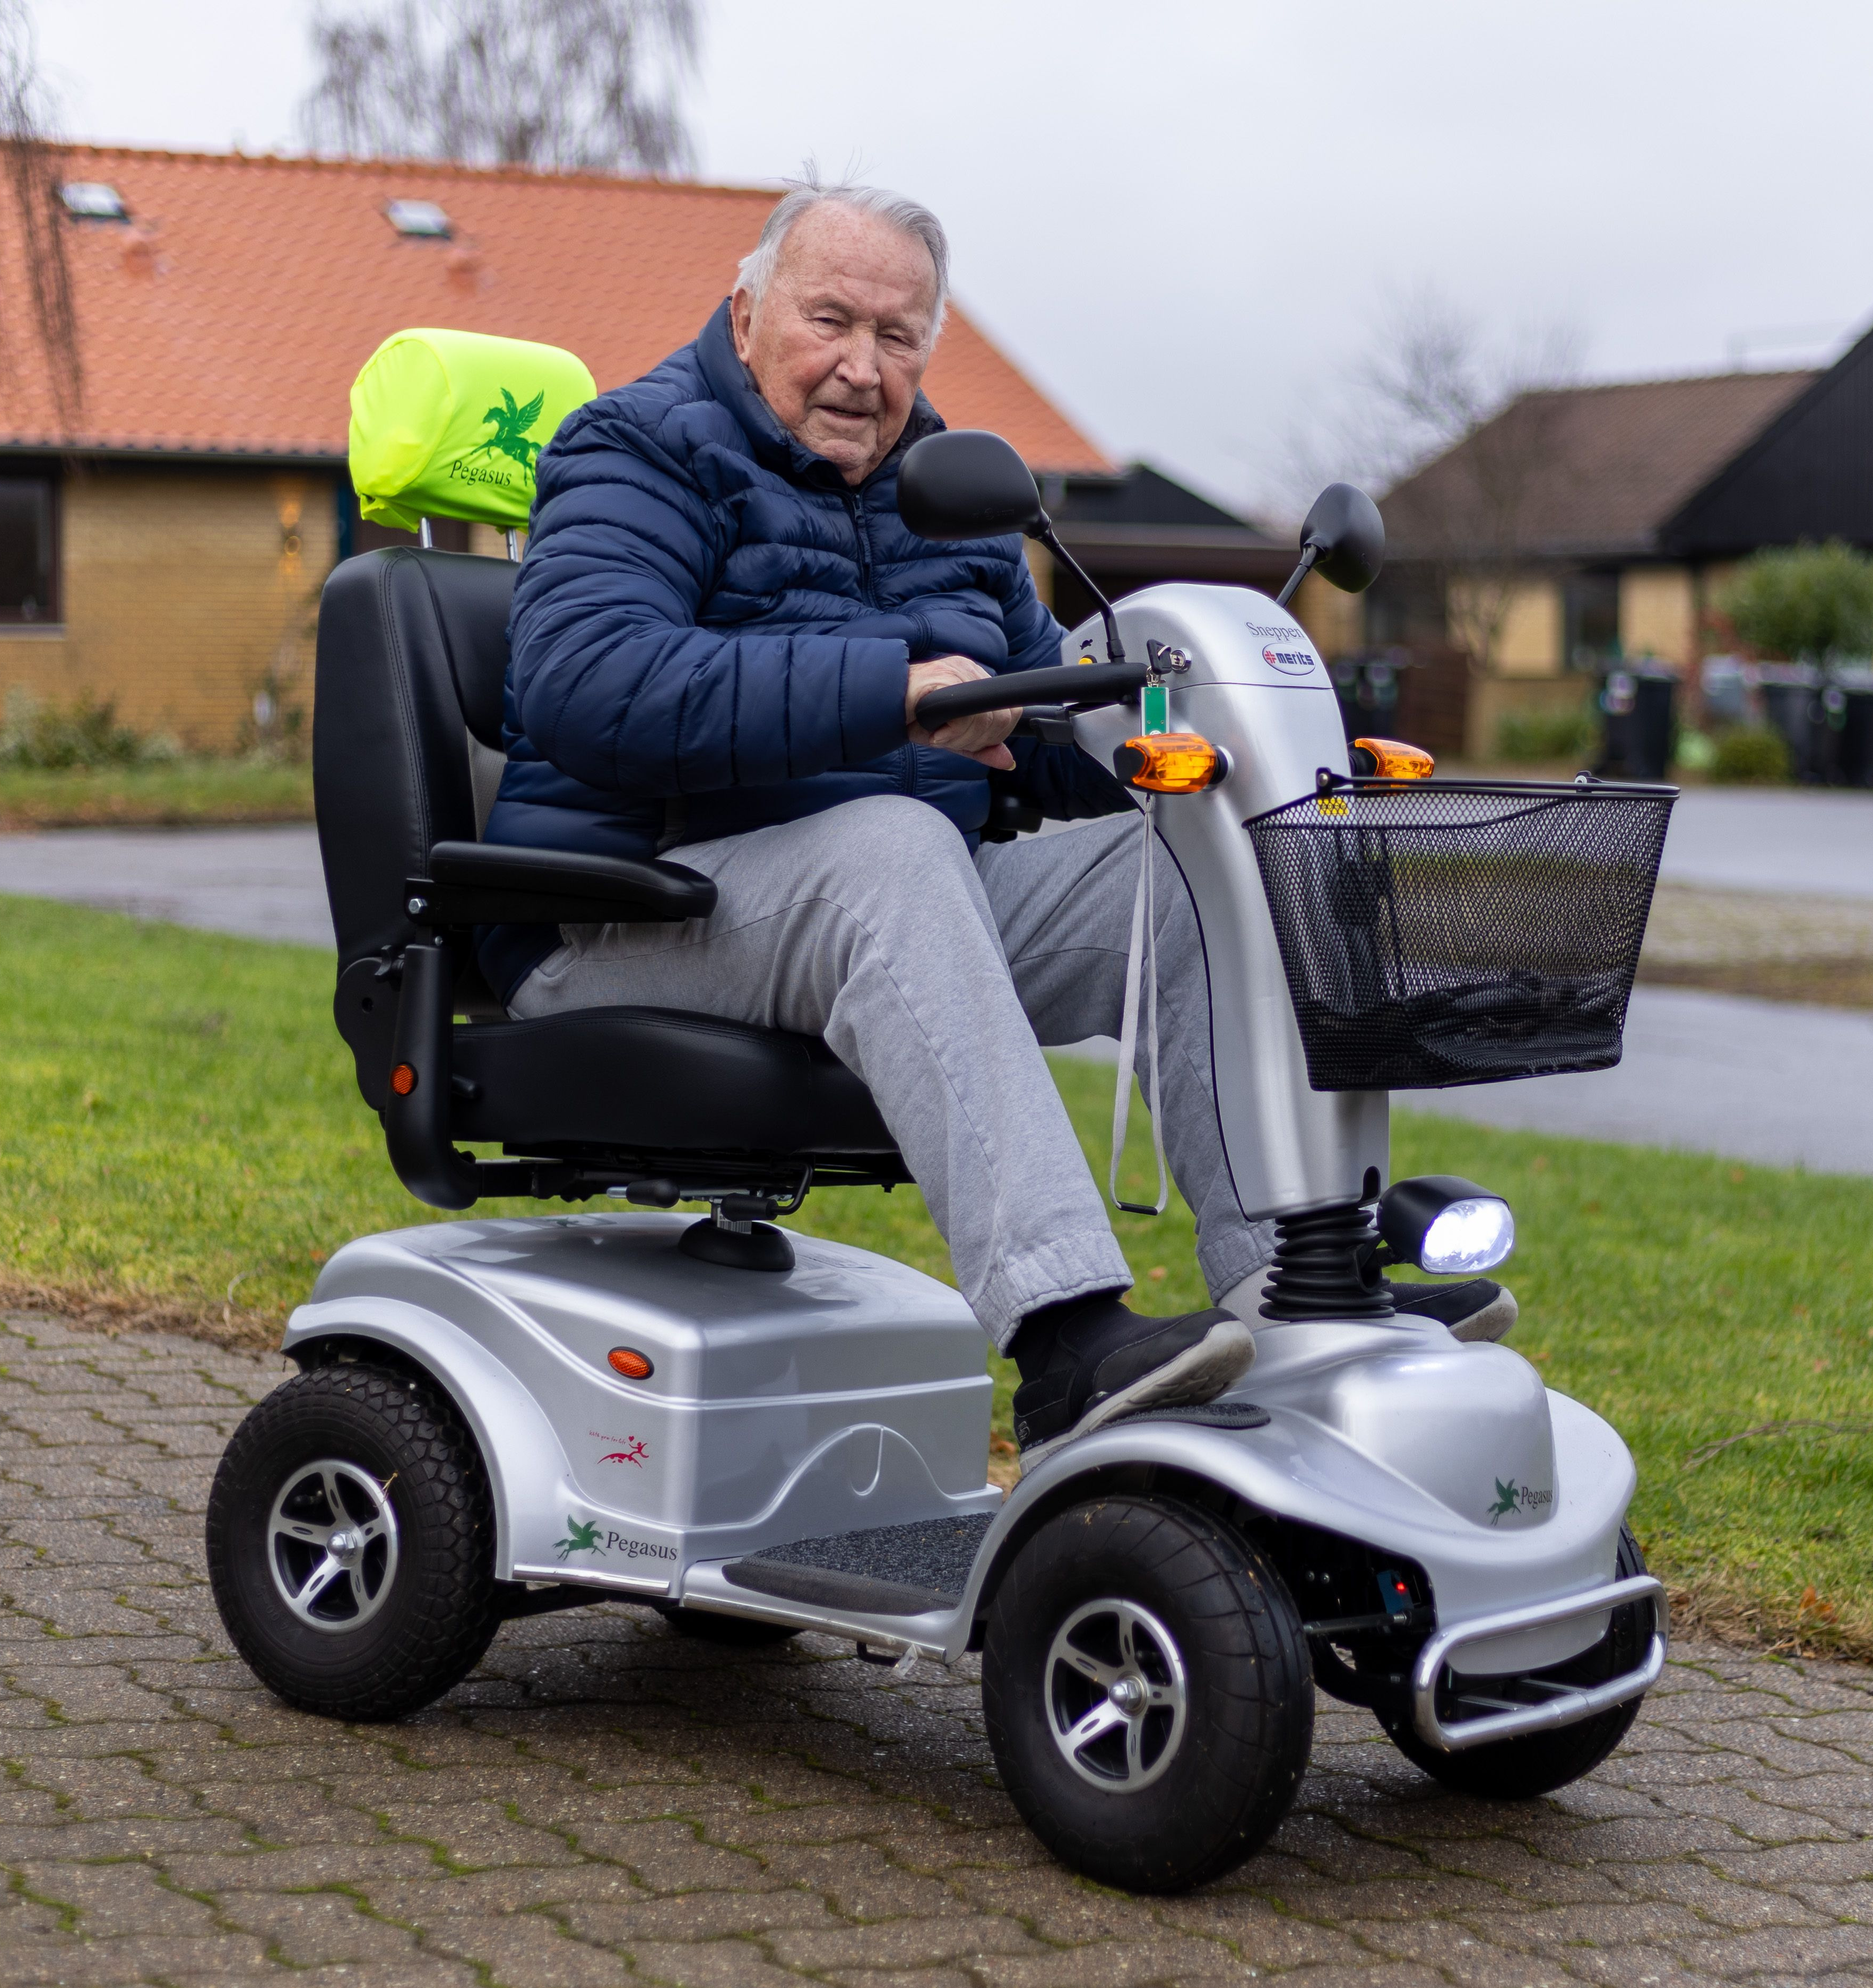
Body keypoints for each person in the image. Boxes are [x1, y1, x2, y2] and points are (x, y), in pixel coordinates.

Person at [483, 179, 1510, 1467]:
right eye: (830, 321)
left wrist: (1220, 742)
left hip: (879, 902)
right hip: (630, 908)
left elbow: (1042, 734)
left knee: (1202, 867)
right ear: (745, 312)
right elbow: (592, 684)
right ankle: (1065, 1338)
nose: (863, 368)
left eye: (898, 336)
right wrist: (889, 699)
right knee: (892, 847)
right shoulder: (633, 448)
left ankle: (1298, 1293)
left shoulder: (947, 495)